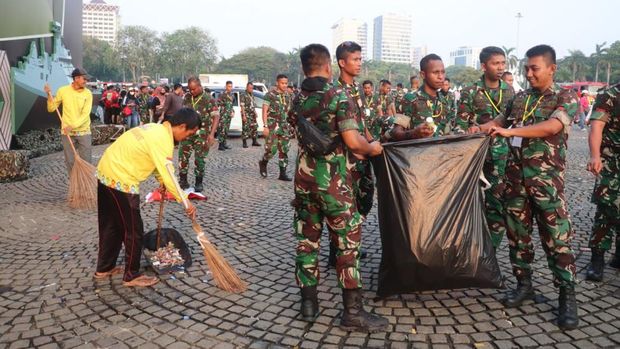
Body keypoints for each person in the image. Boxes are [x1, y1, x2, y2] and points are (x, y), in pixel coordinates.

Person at [474, 45, 579, 330]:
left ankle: (566, 296)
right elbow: (496, 123)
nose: (529, 73)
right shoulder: (519, 99)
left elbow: (551, 127)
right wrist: (475, 131)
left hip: (546, 184)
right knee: (517, 237)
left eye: (535, 68)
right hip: (515, 182)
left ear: (552, 69)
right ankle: (524, 285)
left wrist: (511, 132)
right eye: (526, 69)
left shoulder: (565, 97)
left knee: (556, 239)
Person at [288, 43, 388, 332]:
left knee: (307, 242)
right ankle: (353, 313)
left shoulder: (297, 98)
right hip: (333, 184)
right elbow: (355, 142)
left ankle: (308, 305)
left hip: (304, 183)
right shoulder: (338, 96)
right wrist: (374, 148)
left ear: (305, 67)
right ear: (329, 66)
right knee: (347, 245)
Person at [95, 108, 198, 287]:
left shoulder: (155, 128)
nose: (188, 137)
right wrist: (185, 201)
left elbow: (159, 167)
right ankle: (131, 275)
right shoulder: (163, 139)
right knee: (134, 230)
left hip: (105, 172)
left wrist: (163, 182)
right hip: (121, 180)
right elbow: (168, 173)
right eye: (190, 133)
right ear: (181, 126)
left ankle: (104, 268)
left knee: (112, 225)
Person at [455, 46, 515, 248]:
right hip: (475, 156)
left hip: (502, 156)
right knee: (469, 202)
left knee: (497, 202)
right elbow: (460, 126)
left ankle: (491, 249)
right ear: (483, 66)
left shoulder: (510, 91)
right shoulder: (471, 91)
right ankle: (466, 244)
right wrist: (469, 131)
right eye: (495, 63)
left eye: (502, 63)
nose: (500, 67)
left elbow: (513, 122)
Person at [585, 83, 620, 281]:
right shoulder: (610, 94)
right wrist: (595, 156)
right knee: (607, 207)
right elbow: (597, 126)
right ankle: (596, 259)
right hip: (612, 161)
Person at [44, 68, 93, 174]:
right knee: (70, 162)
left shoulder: (88, 93)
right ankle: (74, 185)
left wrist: (72, 126)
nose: (86, 81)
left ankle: (87, 187)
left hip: (84, 132)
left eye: (86, 79)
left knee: (87, 162)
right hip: (67, 133)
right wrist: (48, 95)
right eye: (84, 79)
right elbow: (51, 108)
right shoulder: (63, 90)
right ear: (76, 78)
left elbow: (85, 115)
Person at [393, 54, 452, 139]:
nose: (440, 77)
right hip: (416, 150)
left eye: (443, 72)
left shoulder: (444, 101)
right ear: (423, 75)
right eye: (435, 72)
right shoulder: (410, 99)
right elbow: (396, 132)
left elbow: (446, 131)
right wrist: (414, 133)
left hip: (439, 150)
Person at [178, 77, 220, 193]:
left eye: (194, 89)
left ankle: (198, 182)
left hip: (202, 135)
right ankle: (183, 181)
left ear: (200, 86)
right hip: (187, 134)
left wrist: (212, 134)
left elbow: (216, 116)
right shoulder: (187, 97)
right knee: (183, 158)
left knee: (199, 159)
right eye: (190, 89)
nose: (192, 92)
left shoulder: (208, 99)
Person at [258, 74, 293, 181]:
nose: (284, 85)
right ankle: (263, 162)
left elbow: (289, 111)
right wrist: (265, 126)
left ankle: (282, 173)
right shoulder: (270, 95)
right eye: (282, 83)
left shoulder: (288, 95)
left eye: (286, 83)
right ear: (277, 83)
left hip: (285, 127)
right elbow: (264, 110)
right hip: (272, 126)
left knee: (284, 149)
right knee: (271, 150)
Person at [240, 82, 261, 148]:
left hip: (252, 114)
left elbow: (252, 105)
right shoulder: (243, 95)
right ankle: (244, 142)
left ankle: (254, 141)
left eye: (252, 88)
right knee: (245, 128)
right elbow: (242, 106)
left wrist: (255, 112)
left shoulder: (251, 95)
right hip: (246, 113)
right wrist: (243, 115)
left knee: (254, 127)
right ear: (247, 87)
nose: (251, 89)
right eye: (250, 88)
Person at [217, 81, 235, 150]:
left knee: (226, 130)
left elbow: (231, 105)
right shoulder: (222, 94)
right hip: (223, 115)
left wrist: (233, 112)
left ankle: (224, 143)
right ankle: (220, 145)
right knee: (222, 129)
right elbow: (218, 103)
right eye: (229, 86)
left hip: (229, 115)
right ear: (226, 86)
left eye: (231, 86)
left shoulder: (232, 95)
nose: (230, 88)